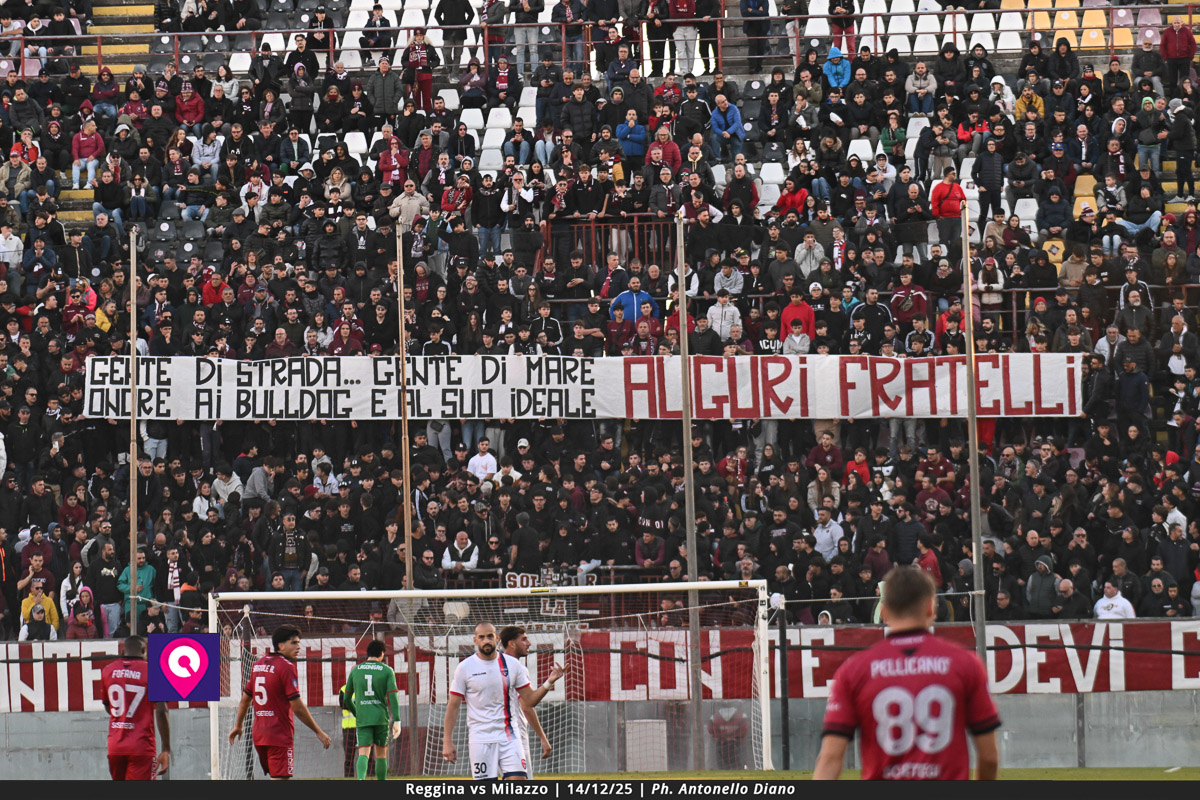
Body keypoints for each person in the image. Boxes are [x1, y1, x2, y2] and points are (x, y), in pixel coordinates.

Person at [814, 566, 1000, 780]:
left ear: (883, 611)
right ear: (931, 608)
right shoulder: (966, 664)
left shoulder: (853, 670)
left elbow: (830, 758)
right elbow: (989, 757)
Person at [442, 622, 554, 780]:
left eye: (490, 636)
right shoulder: (465, 667)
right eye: (481, 637)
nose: (486, 640)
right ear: (475, 640)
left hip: (509, 737)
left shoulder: (513, 665)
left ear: (497, 638)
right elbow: (453, 706)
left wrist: (549, 682)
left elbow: (529, 701)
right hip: (480, 739)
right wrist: (447, 740)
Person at [228, 624, 333, 779]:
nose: (299, 646)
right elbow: (296, 706)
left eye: (298, 642)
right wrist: (318, 731)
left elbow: (245, 700)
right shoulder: (286, 667)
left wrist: (238, 726)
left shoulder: (258, 665)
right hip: (279, 736)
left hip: (260, 735)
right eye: (294, 643)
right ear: (281, 645)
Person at [101, 636, 171, 781]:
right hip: (141, 746)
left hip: (115, 746)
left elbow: (109, 707)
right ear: (144, 651)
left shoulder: (108, 670)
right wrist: (166, 748)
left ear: (123, 651)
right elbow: (162, 711)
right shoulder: (152, 671)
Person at [500, 625, 565, 778]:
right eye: (524, 639)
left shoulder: (495, 665)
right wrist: (543, 738)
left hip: (492, 735)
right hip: (514, 734)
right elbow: (527, 705)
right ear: (511, 643)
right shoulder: (517, 668)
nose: (529, 643)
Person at [343, 639, 403, 781]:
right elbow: (392, 697)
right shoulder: (387, 670)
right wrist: (397, 720)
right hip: (381, 718)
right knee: (381, 753)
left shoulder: (355, 670)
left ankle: (361, 781)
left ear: (367, 653)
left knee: (363, 752)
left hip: (364, 718)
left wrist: (358, 713)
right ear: (382, 653)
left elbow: (346, 699)